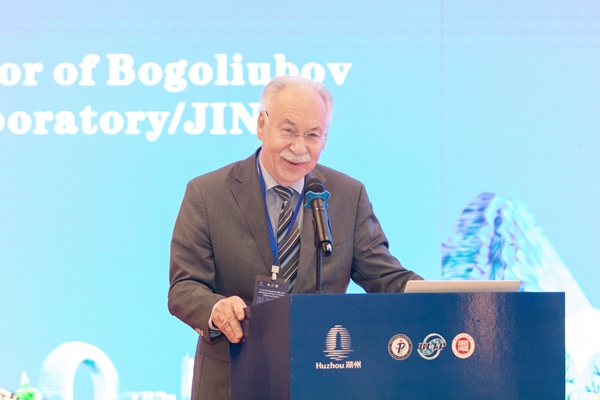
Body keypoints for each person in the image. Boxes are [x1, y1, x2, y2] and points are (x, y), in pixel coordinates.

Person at [168, 75, 423, 400]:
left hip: (322, 380)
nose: (299, 148)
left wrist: (447, 300)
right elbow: (183, 287)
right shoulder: (207, 193)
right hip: (231, 379)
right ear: (262, 125)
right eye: (288, 131)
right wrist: (216, 308)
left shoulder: (348, 195)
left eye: (312, 135)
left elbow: (385, 278)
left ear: (325, 138)